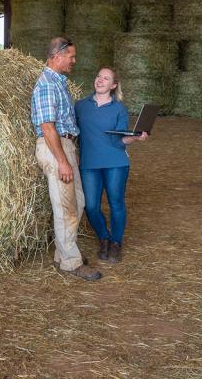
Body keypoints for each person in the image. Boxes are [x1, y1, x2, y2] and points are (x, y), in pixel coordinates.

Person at [31, 37, 102, 281]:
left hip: (65, 145)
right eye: (71, 56)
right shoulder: (46, 85)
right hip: (55, 147)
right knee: (65, 208)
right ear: (56, 56)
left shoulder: (59, 83)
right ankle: (71, 263)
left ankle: (63, 254)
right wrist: (62, 160)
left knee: (77, 202)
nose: (74, 60)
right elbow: (48, 127)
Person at [74, 68, 148, 263]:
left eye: (105, 78)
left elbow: (119, 140)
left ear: (113, 86)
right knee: (91, 206)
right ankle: (103, 237)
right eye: (98, 76)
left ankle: (115, 242)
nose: (100, 80)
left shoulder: (119, 109)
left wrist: (135, 138)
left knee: (116, 203)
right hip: (89, 163)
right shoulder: (81, 106)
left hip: (116, 162)